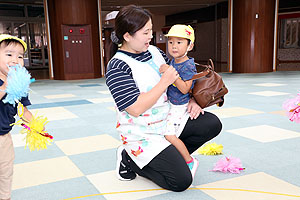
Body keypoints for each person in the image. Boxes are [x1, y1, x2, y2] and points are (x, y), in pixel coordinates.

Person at [105, 5, 222, 192]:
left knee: (211, 123)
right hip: (143, 132)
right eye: (145, 32)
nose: (151, 36)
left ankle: (168, 157)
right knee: (181, 181)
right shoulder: (118, 66)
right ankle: (130, 159)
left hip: (168, 120)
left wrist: (191, 99)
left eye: (151, 30)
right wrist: (164, 82)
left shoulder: (154, 51)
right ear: (127, 36)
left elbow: (179, 82)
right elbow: (135, 109)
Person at [159, 24, 199, 177]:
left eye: (179, 42)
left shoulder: (188, 65)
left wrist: (170, 73)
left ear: (190, 46)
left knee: (169, 135)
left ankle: (189, 161)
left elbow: (185, 88)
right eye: (171, 42)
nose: (174, 46)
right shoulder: (174, 61)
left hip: (179, 106)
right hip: (170, 104)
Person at [0, 34, 33, 200]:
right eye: (9, 54)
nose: (15, 60)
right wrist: (6, 85)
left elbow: (23, 109)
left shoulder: (19, 82)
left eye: (20, 56)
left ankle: (5, 197)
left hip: (4, 135)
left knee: (6, 169)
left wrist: (35, 125)